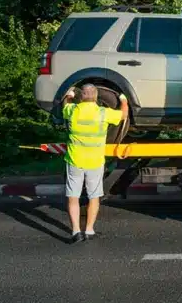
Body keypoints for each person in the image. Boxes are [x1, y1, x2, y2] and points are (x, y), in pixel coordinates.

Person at [62, 84, 128, 244]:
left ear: (82, 96)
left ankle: (76, 231)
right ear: (96, 97)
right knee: (94, 197)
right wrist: (123, 99)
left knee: (73, 197)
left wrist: (69, 95)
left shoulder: (72, 110)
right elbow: (123, 115)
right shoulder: (103, 113)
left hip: (75, 160)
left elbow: (65, 104)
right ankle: (89, 230)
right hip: (95, 162)